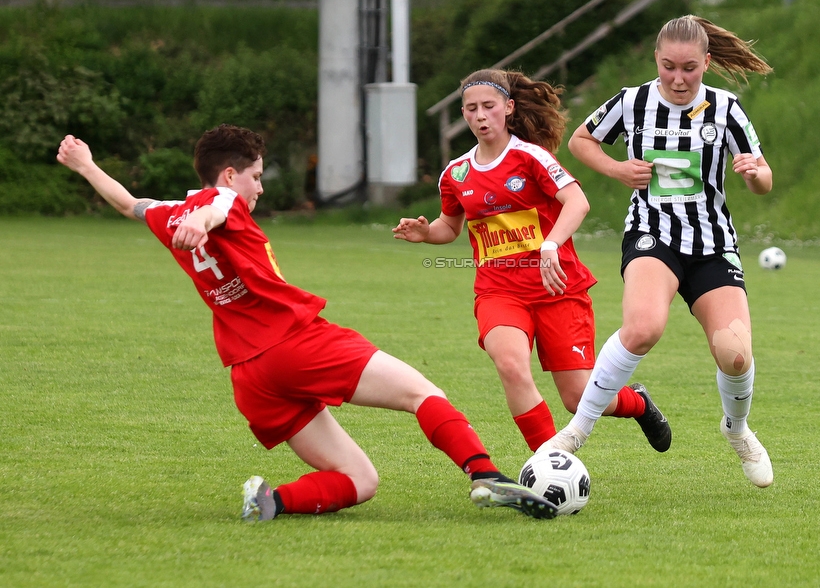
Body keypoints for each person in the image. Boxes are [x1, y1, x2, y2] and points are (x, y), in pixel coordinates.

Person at [56, 125, 557, 521]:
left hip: (250, 377)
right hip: (295, 343)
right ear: (230, 174)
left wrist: (86, 165)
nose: (260, 187)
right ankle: (486, 474)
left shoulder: (170, 213)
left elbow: (128, 204)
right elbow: (220, 206)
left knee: (360, 481)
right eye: (255, 176)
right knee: (422, 393)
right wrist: (202, 220)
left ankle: (270, 502)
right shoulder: (218, 203)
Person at [541, 15, 775, 489]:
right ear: (656, 60)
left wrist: (753, 173)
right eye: (668, 66)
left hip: (711, 242)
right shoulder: (633, 101)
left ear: (707, 62)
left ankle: (737, 429)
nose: (678, 78)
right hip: (653, 234)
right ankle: (576, 431)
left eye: (689, 67)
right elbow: (581, 140)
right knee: (643, 329)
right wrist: (617, 169)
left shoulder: (727, 108)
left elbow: (765, 180)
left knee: (735, 355)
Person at [393, 68, 671, 454]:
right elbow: (449, 226)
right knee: (510, 365)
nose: (480, 115)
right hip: (498, 292)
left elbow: (578, 202)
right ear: (463, 114)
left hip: (557, 287)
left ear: (508, 107)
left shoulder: (530, 157)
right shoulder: (456, 173)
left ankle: (638, 402)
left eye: (489, 106)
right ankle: (550, 464)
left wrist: (551, 244)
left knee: (578, 398)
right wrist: (427, 233)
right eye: (471, 109)